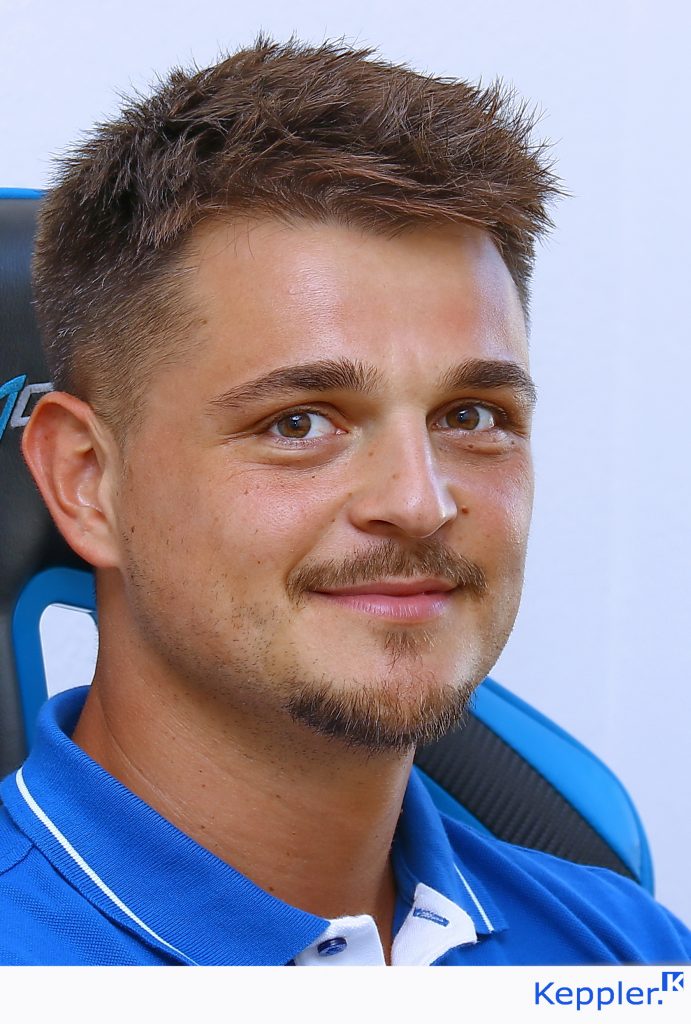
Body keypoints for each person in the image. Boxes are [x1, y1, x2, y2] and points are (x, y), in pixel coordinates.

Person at [0, 37, 689, 967]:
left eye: (471, 415)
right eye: (299, 423)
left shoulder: (632, 953)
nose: (419, 501)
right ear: (87, 480)